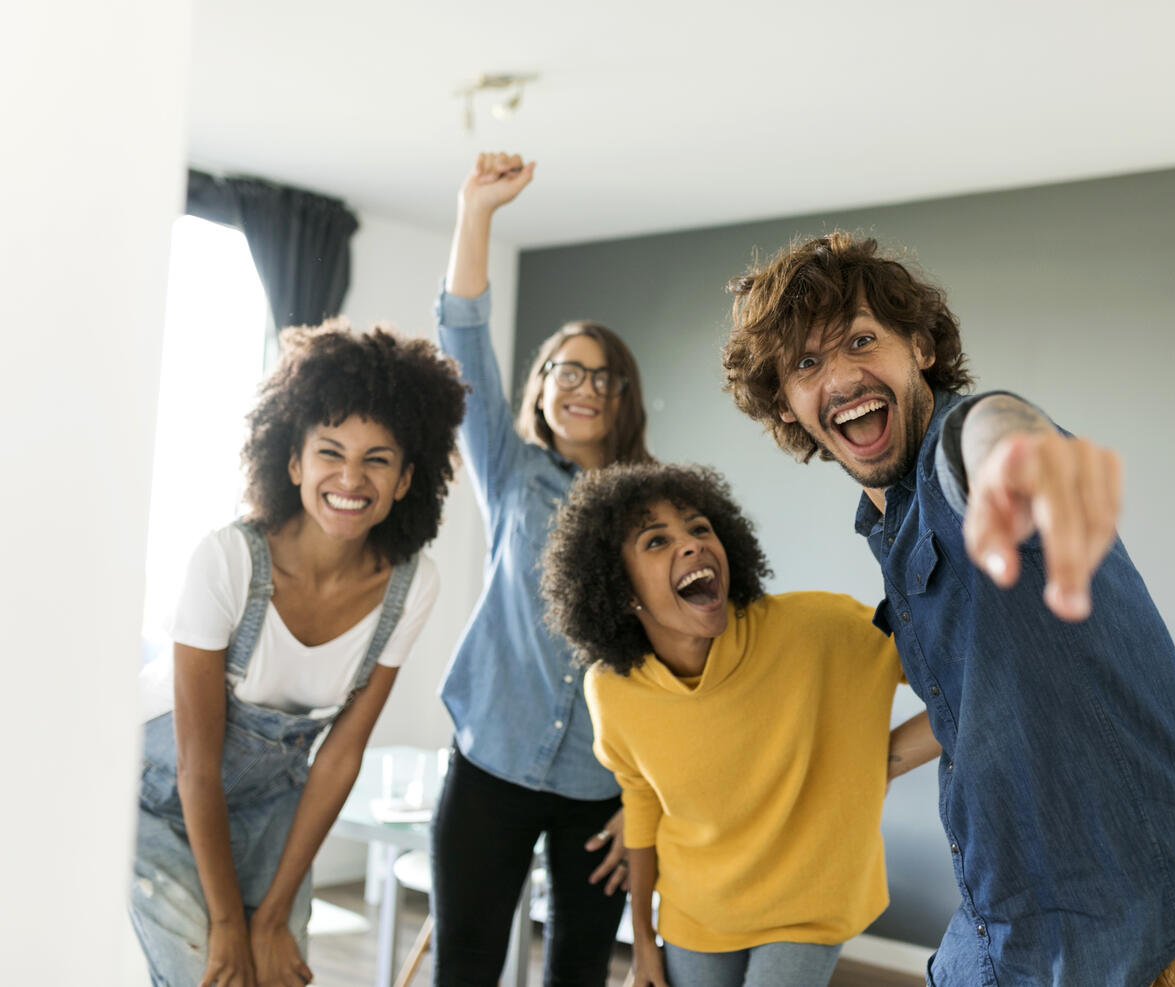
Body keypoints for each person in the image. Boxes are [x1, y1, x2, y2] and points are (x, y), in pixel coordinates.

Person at [721, 232, 1175, 987]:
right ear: (787, 402)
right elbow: (971, 704)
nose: (842, 376)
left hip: (1144, 934)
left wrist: (1018, 456)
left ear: (919, 347)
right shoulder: (884, 525)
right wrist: (864, 766)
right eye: (808, 363)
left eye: (861, 340)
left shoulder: (959, 445)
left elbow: (992, 431)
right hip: (1012, 928)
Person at [130, 321, 466, 987]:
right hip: (157, 795)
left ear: (404, 479)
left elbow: (339, 754)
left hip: (270, 806)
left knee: (278, 970)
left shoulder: (410, 586)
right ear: (294, 462)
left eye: (378, 458)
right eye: (330, 451)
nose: (351, 477)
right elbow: (198, 763)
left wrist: (273, 912)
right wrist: (231, 921)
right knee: (206, 973)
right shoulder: (227, 559)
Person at [539, 462, 940, 987]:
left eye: (699, 528)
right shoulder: (611, 690)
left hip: (810, 901)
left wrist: (877, 763)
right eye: (656, 541)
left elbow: (960, 682)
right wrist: (643, 941)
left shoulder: (818, 629)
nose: (691, 544)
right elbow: (642, 805)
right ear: (621, 591)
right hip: (694, 912)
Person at [432, 152, 655, 986]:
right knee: (467, 970)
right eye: (569, 369)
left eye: (604, 375)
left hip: (601, 789)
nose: (585, 386)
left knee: (578, 973)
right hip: (489, 761)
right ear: (543, 385)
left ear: (625, 394)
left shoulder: (654, 504)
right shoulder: (510, 468)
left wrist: (647, 800)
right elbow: (461, 342)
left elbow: (670, 656)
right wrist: (476, 213)